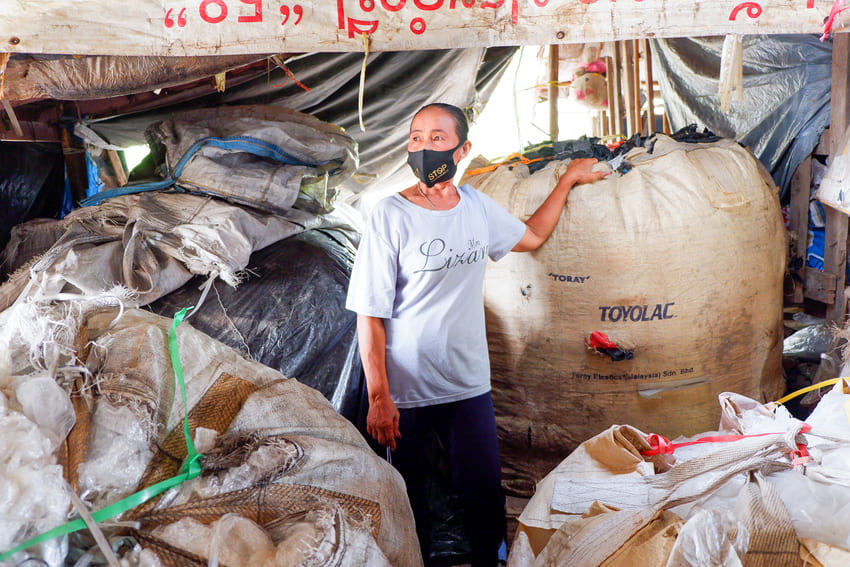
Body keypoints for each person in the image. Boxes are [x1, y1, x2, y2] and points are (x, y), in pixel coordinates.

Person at [345, 103, 604, 566]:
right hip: (405, 390)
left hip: (466, 381)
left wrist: (567, 181)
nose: (424, 147)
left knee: (484, 490)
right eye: (416, 137)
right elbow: (370, 314)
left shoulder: (477, 206)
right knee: (408, 499)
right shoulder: (390, 215)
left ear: (464, 149)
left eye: (437, 138)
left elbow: (530, 237)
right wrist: (380, 395)